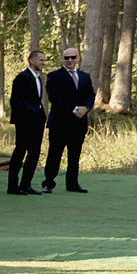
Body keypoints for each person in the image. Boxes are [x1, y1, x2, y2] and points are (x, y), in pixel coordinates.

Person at [43, 48, 95, 193]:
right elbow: (54, 97)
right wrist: (74, 108)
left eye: (73, 57)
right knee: (55, 154)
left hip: (78, 123)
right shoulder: (54, 76)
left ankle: (72, 184)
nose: (69, 60)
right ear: (63, 58)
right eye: (66, 57)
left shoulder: (85, 76)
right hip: (60, 122)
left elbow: (91, 95)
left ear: (78, 58)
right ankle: (48, 183)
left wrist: (86, 108)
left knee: (74, 154)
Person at [7, 49, 49, 195]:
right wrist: (29, 116)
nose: (43, 63)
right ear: (31, 61)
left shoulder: (38, 78)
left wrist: (41, 116)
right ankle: (12, 187)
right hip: (25, 122)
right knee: (20, 152)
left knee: (34, 153)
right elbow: (16, 102)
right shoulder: (22, 78)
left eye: (44, 60)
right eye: (41, 60)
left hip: (37, 121)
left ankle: (26, 184)